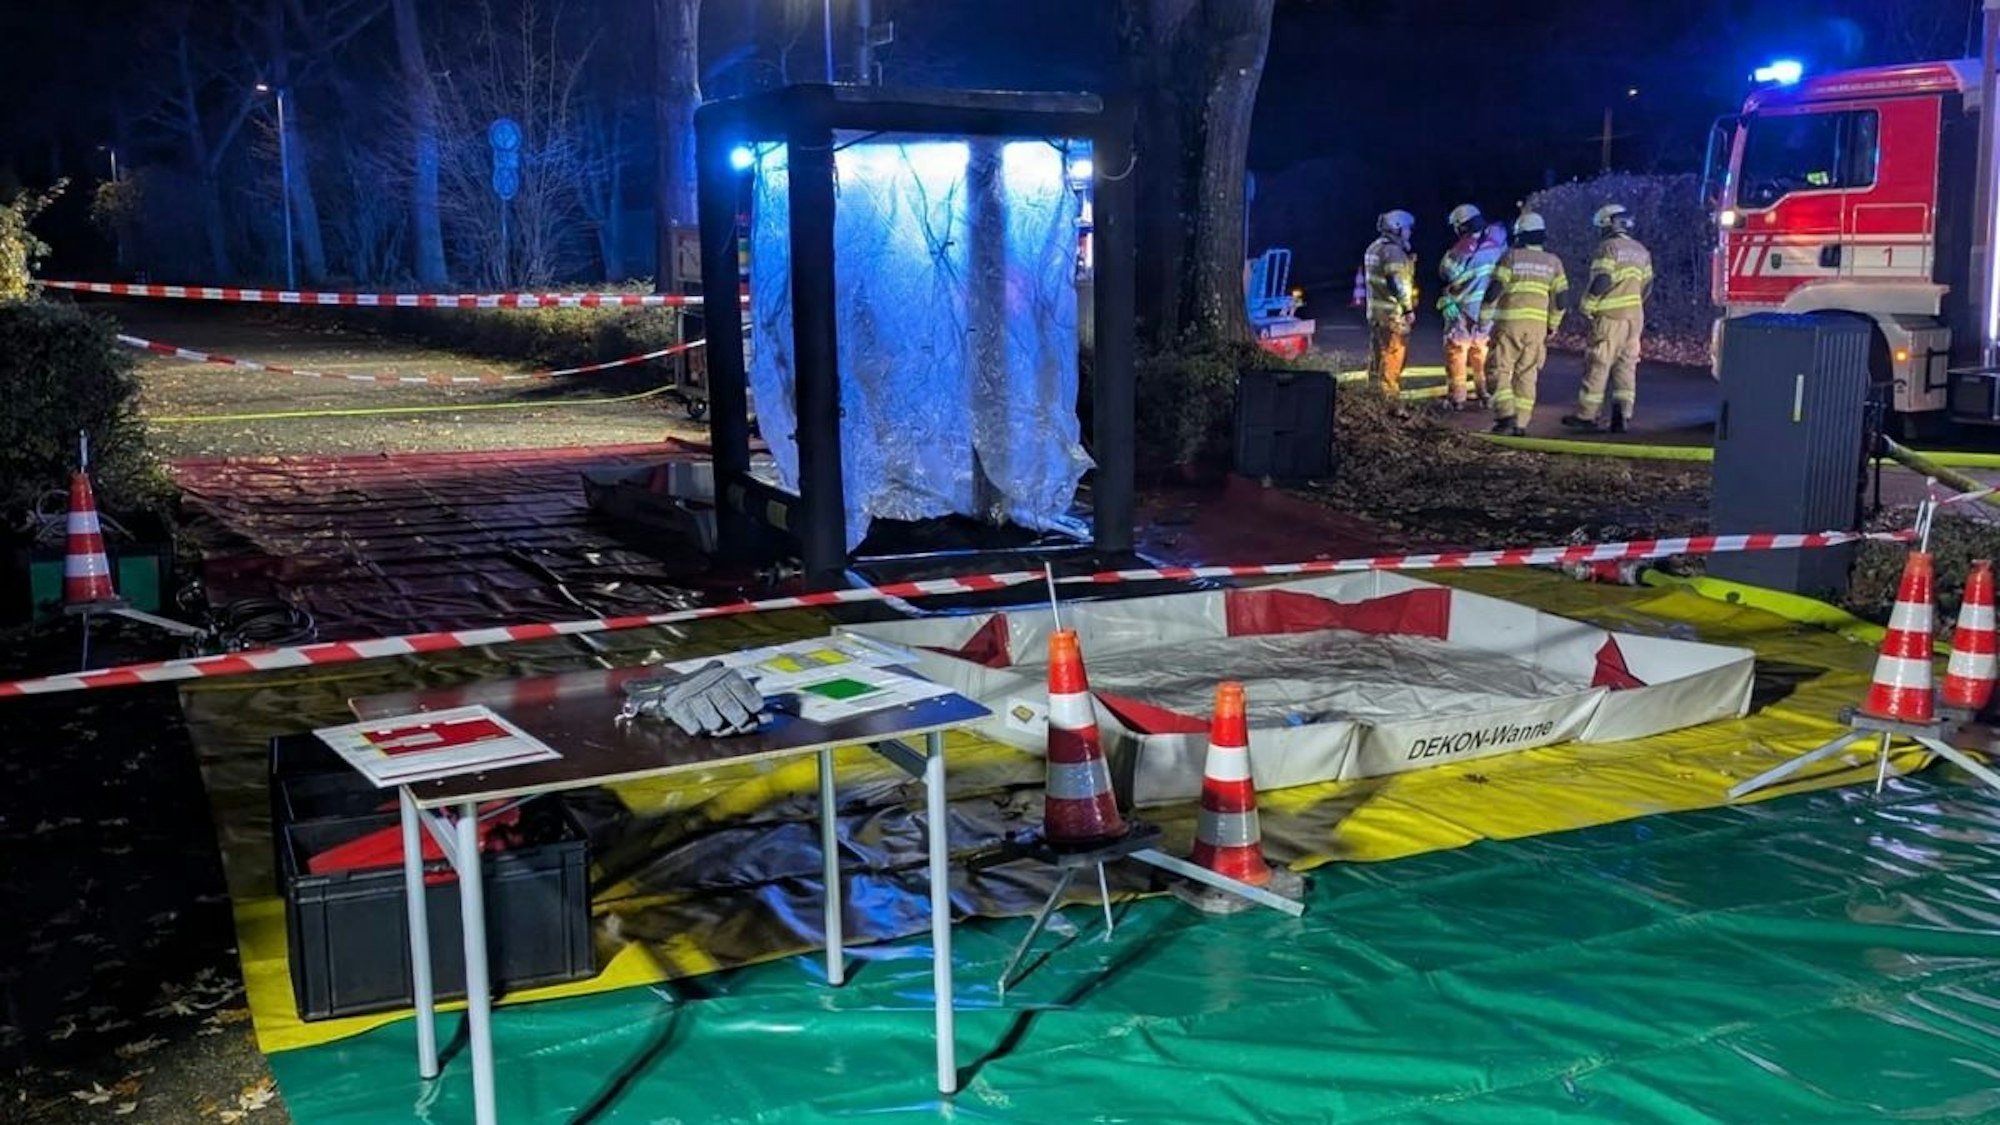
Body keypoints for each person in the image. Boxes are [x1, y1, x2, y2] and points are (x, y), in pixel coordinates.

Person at [1562, 203, 1653, 433]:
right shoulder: (1641, 250)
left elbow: (1603, 279)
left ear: (1607, 224)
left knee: (1598, 364)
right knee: (1626, 366)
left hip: (1610, 317)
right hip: (1635, 317)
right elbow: (1648, 285)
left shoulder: (1608, 248)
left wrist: (1588, 303)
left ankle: (1587, 416)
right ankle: (1622, 416)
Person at [1479, 211, 1569, 436]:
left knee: (1497, 370)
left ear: (1520, 235)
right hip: (1537, 328)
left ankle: (1505, 416)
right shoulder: (1554, 262)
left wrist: (1483, 318)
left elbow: (1493, 291)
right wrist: (1553, 324)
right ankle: (1520, 424)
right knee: (1527, 375)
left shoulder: (1511, 257)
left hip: (1509, 324)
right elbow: (1562, 299)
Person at [1437, 204, 1501, 408]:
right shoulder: (1496, 247)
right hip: (1487, 311)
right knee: (1481, 353)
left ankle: (1458, 399)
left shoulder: (1461, 249)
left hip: (1462, 310)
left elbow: (1446, 272)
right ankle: (1486, 395)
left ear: (1462, 226)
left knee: (1457, 352)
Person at [1364, 210, 1417, 395]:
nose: (1409, 232)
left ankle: (1372, 395)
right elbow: (1397, 282)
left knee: (1377, 355)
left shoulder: (1373, 248)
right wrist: (1408, 308)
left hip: (1376, 312)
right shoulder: (1393, 252)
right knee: (1393, 355)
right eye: (1407, 228)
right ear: (1397, 228)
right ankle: (1389, 400)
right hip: (1392, 314)